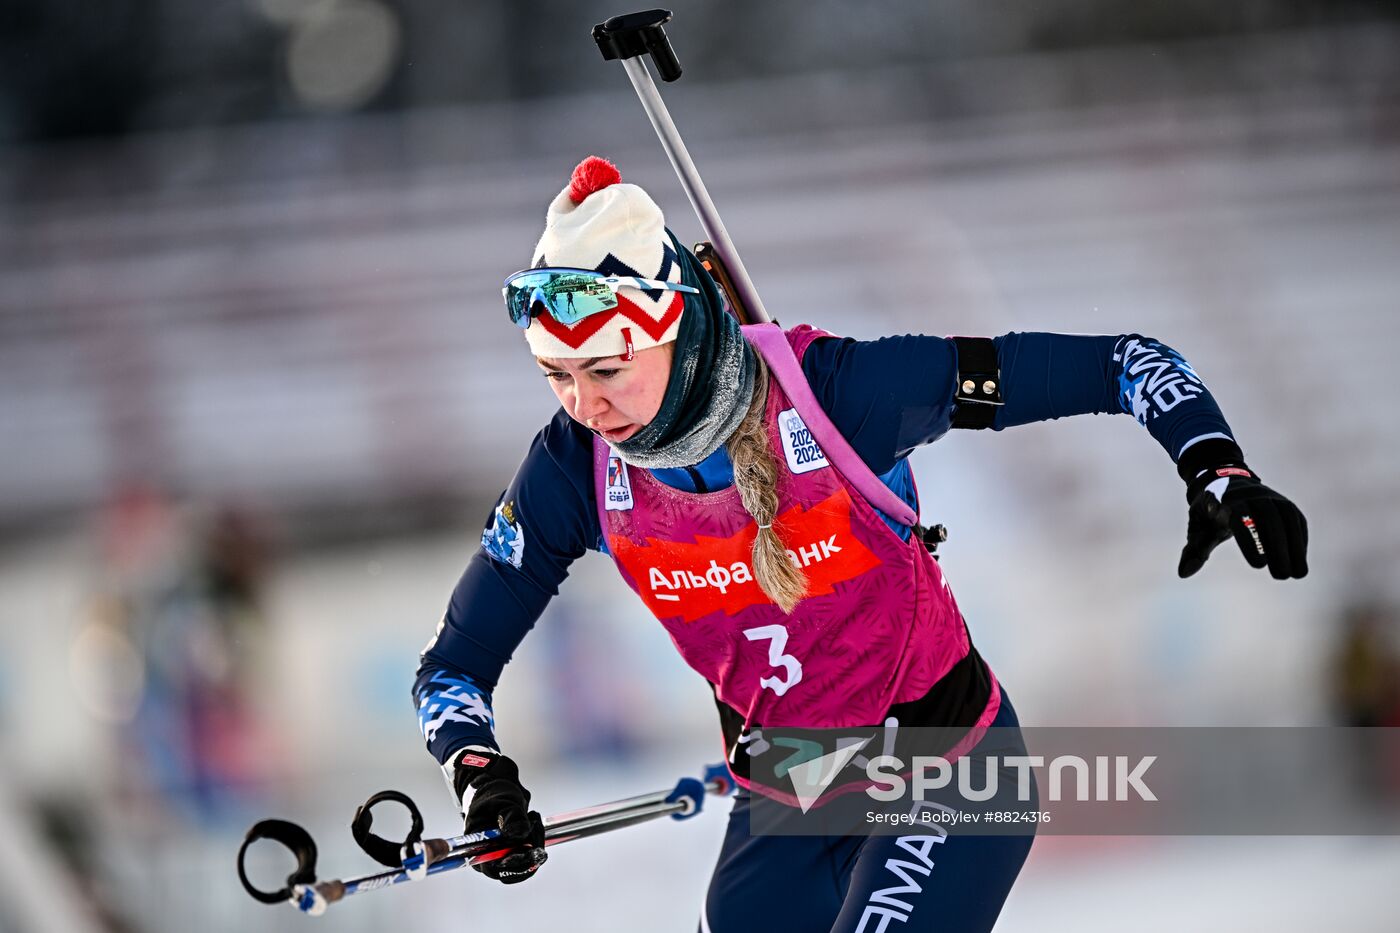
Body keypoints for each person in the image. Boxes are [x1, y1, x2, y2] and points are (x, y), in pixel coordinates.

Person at [413, 156, 1308, 931]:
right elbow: (452, 667)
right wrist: (479, 776)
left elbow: (1123, 360)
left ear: (678, 330)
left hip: (948, 760)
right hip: (796, 778)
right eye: (557, 375)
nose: (584, 405)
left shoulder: (840, 395)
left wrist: (1215, 466)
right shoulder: (574, 471)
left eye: (607, 368)